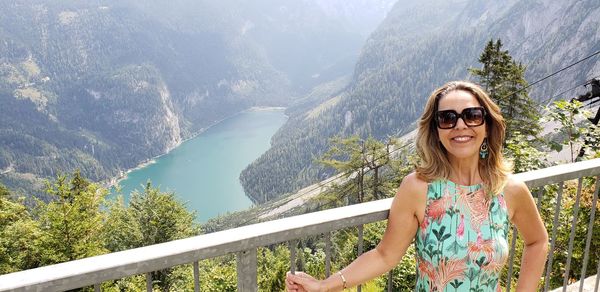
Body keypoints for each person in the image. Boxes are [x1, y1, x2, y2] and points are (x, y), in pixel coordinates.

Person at [285, 81, 548, 291]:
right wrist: (325, 286)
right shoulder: (419, 188)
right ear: (436, 131)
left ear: (488, 126)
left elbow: (537, 241)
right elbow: (385, 255)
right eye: (447, 118)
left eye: (472, 115)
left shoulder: (509, 190)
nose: (460, 125)